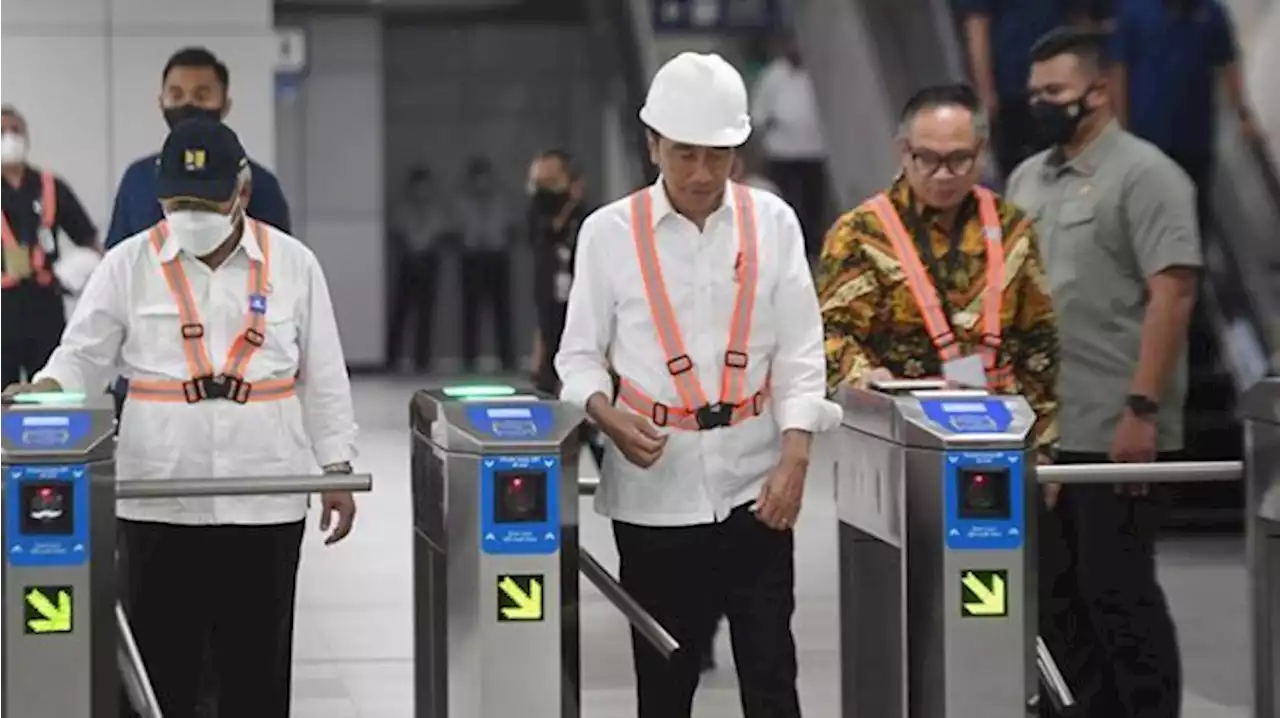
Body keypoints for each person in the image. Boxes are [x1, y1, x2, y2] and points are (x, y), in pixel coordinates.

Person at [3, 118, 358, 718]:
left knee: (256, 672)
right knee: (160, 672)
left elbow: (323, 372)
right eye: (177, 200)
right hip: (157, 496)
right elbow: (82, 357)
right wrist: (41, 393)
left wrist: (337, 466)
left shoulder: (293, 264)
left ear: (240, 190)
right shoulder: (127, 264)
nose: (190, 213)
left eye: (204, 199)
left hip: (263, 495)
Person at [555, 51, 841, 718]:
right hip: (655, 492)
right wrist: (606, 414)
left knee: (772, 674)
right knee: (665, 681)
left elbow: (802, 350)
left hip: (756, 484)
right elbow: (577, 360)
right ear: (652, 143)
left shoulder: (773, 223)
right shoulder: (607, 234)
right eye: (685, 154)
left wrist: (796, 456)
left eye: (719, 155)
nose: (702, 174)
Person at [1006, 28, 1200, 718]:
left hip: (1116, 429)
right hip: (1043, 435)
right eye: (1034, 94)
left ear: (1099, 90)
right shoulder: (1027, 179)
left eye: (1054, 93)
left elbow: (1173, 292)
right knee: (1050, 596)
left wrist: (1141, 410)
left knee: (1117, 591)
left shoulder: (1147, 176)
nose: (1041, 105)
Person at [816, 82, 1060, 457]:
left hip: (1000, 436)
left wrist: (1043, 445)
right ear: (904, 152)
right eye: (927, 159)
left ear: (981, 154)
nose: (943, 175)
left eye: (959, 159)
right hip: (897, 441)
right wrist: (861, 376)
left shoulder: (1013, 230)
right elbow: (830, 333)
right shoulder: (861, 233)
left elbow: (1038, 342)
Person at [106, 46, 291, 248]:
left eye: (201, 96)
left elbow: (279, 260)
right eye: (176, 96)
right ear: (161, 102)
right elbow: (116, 258)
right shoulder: (137, 178)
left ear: (225, 103)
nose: (189, 104)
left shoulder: (259, 183)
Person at [1110, 0, 1258, 225]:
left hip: (1195, 137)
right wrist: (1121, 127)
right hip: (1148, 139)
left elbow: (1228, 65)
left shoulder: (1210, 12)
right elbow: (1119, 69)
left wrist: (1243, 115)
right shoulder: (1134, 10)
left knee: (1195, 218)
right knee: (1152, 219)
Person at [0, 105, 100, 388]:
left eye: (15, 131)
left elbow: (89, 239)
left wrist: (84, 270)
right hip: (1, 311)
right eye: (1, 132)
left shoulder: (50, 186)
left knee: (48, 391)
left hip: (43, 306)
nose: (9, 137)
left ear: (27, 138)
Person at [959, 0, 1080, 178]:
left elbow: (1076, 18)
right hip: (1013, 89)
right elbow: (977, 27)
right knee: (1025, 173)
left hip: (1060, 81)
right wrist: (986, 91)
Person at [750, 35, 829, 258]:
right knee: (786, 202)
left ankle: (812, 249)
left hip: (814, 149)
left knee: (813, 203)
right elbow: (759, 110)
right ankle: (787, 247)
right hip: (781, 151)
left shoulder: (817, 72)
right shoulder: (773, 75)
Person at [527, 149, 589, 396]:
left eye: (552, 181)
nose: (545, 189)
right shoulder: (538, 211)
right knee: (549, 340)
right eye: (540, 182)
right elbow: (545, 234)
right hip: (548, 291)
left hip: (579, 292)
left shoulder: (588, 218)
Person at [387, 165, 453, 372]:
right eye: (418, 187)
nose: (421, 191)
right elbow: (396, 234)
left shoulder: (436, 210)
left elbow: (442, 235)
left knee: (426, 313)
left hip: (429, 262)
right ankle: (393, 358)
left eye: (425, 187)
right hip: (407, 262)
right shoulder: (402, 209)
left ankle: (422, 359)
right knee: (401, 311)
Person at [456, 156, 517, 372]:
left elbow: (511, 228)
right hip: (472, 259)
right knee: (470, 311)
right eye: (477, 179)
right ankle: (469, 359)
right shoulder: (463, 203)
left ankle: (507, 359)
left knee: (502, 310)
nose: (482, 183)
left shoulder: (502, 201)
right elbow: (456, 230)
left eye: (485, 178)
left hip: (496, 258)